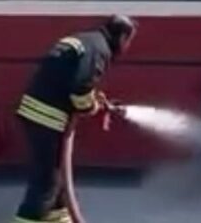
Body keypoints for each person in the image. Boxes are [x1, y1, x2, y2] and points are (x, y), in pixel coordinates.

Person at [13, 15, 138, 223]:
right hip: (47, 116)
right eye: (129, 41)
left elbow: (73, 79)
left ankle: (61, 219)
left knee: (57, 182)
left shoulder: (87, 40)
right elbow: (80, 89)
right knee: (46, 185)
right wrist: (91, 106)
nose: (127, 47)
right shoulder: (101, 50)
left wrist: (91, 100)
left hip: (39, 112)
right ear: (123, 37)